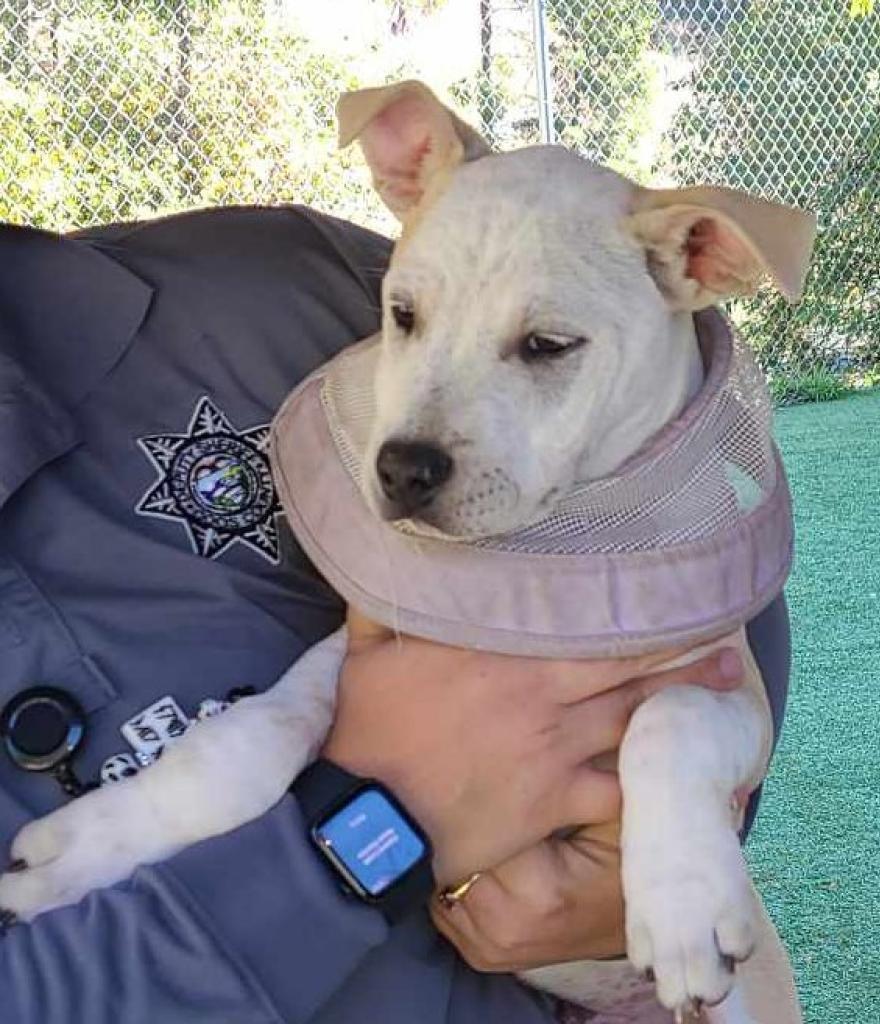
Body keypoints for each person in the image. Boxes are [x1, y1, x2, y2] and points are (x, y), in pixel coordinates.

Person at [0, 204, 790, 1023]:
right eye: (406, 319)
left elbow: (723, 630)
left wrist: (658, 839)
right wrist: (375, 824)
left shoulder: (279, 288)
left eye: (543, 346)